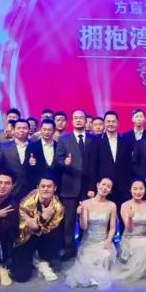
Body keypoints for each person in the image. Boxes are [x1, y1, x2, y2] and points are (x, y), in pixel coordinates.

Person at [65, 178, 117, 289]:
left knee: (106, 256)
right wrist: (80, 215)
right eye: (103, 184)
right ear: (97, 185)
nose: (105, 188)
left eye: (108, 187)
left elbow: (112, 228)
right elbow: (84, 227)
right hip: (89, 242)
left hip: (103, 241)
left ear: (111, 191)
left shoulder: (112, 205)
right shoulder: (86, 203)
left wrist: (109, 240)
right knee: (87, 264)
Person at [12, 175, 64, 282]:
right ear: (38, 187)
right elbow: (22, 228)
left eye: (49, 186)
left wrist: (38, 225)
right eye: (43, 186)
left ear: (55, 188)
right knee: (20, 277)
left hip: (44, 237)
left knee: (56, 234)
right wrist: (43, 218)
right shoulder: (26, 203)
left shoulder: (58, 206)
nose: (45, 189)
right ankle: (32, 257)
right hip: (24, 237)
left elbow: (51, 228)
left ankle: (44, 262)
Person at [56, 109, 92, 255]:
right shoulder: (64, 139)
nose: (78, 120)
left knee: (87, 219)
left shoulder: (93, 139)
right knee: (69, 220)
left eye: (81, 118)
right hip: (69, 186)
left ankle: (86, 246)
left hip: (88, 187)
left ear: (85, 121)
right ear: (72, 121)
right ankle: (69, 248)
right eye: (75, 118)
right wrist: (64, 163)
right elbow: (57, 161)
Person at [113, 179, 146, 282]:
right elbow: (129, 229)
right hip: (129, 239)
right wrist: (130, 218)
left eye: (141, 189)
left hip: (144, 238)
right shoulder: (125, 205)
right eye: (135, 189)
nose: (138, 192)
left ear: (145, 190)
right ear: (130, 190)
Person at [86, 111, 132, 208]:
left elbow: (129, 165)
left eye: (113, 121)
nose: (111, 124)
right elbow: (92, 165)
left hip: (123, 187)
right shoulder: (96, 141)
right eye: (108, 121)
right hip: (103, 187)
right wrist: (91, 187)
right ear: (104, 123)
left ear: (117, 123)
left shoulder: (125, 141)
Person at [0, 118, 33, 199]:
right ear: (13, 130)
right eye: (19, 128)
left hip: (31, 188)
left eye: (24, 128)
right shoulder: (4, 147)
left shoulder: (35, 146)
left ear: (29, 130)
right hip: (11, 188)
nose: (21, 130)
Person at [26, 118, 60, 193]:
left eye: (49, 130)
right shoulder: (32, 146)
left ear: (54, 131)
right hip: (38, 186)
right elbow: (26, 168)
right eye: (44, 129)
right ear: (40, 130)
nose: (46, 132)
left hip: (56, 185)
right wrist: (30, 163)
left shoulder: (59, 146)